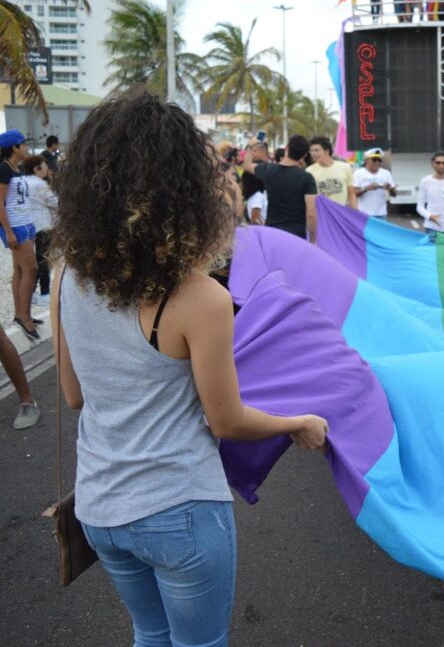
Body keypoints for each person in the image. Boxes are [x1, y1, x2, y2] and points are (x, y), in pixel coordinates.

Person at [50, 92, 328, 646]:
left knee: (150, 636)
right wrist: (296, 423)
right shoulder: (199, 297)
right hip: (179, 510)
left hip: (101, 506)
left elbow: (74, 395)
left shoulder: (64, 275)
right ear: (181, 188)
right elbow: (226, 422)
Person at [0, 129, 40, 340]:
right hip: (16, 226)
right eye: (23, 145)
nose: (26, 148)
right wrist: (8, 232)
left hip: (26, 223)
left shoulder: (17, 168)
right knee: (31, 270)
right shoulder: (4, 170)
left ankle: (21, 314)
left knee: (19, 271)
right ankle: (25, 318)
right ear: (14, 148)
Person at [243, 135, 319, 243]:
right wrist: (312, 240)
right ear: (304, 155)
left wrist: (250, 146)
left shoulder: (268, 169)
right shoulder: (307, 178)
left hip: (273, 232)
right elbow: (311, 213)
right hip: (296, 234)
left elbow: (247, 166)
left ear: (286, 148)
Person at [23, 155, 58, 306]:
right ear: (37, 169)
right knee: (44, 259)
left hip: (28, 226)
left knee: (32, 261)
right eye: (44, 166)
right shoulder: (40, 184)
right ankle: (45, 292)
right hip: (43, 225)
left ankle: (30, 292)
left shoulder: (22, 182)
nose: (47, 169)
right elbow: (55, 203)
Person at [350, 147, 397, 219]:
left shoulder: (386, 173)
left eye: (379, 160)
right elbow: (354, 194)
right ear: (367, 160)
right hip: (364, 214)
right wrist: (366, 189)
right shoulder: (358, 173)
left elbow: (394, 195)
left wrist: (390, 189)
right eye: (374, 160)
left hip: (381, 214)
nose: (377, 162)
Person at [307, 136, 353, 206]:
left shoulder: (345, 167)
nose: (313, 153)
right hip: (322, 214)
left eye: (316, 150)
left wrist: (356, 213)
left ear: (327, 151)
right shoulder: (309, 171)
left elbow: (351, 194)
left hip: (341, 213)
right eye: (311, 151)